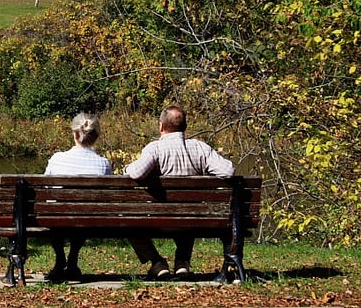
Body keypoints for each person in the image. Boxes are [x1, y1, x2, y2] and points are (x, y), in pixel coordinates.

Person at [124, 105, 234, 279]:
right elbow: (228, 171)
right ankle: (182, 262)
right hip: (193, 219)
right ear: (185, 126)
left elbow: (136, 173)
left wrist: (127, 167)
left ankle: (157, 263)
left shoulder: (155, 149)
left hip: (158, 218)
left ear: (161, 127)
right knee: (188, 210)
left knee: (129, 224)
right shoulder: (200, 148)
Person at [43, 111, 113, 282]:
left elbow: (45, 188)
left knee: (55, 208)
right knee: (84, 210)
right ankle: (72, 258)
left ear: (75, 134)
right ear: (96, 136)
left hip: (56, 217)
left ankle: (60, 259)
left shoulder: (57, 159)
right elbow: (106, 196)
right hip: (87, 218)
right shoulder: (103, 163)